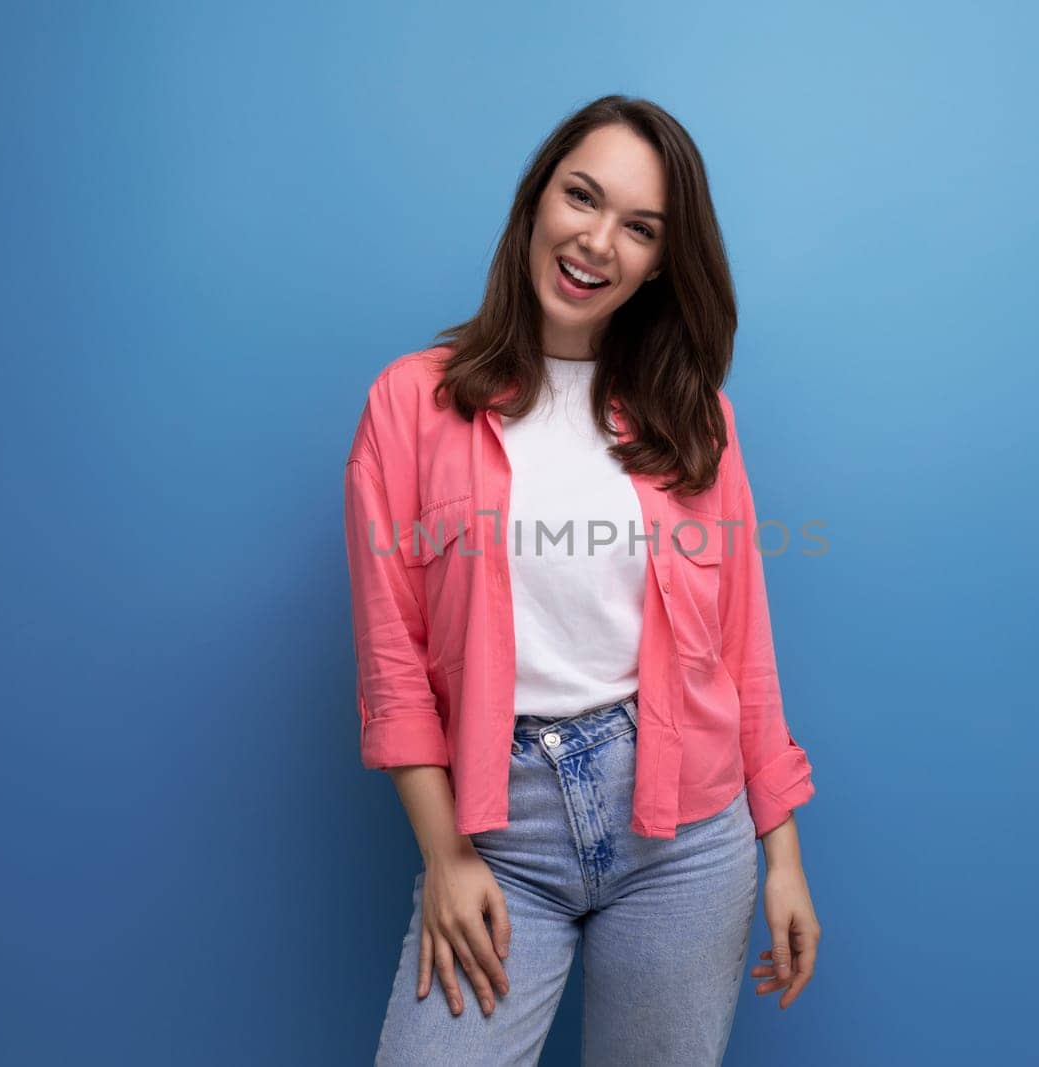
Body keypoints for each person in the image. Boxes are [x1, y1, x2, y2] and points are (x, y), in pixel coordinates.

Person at [342, 95, 820, 1066]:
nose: (597, 241)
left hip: (685, 830)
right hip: (499, 828)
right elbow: (393, 660)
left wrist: (783, 852)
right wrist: (446, 854)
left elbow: (743, 650)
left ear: (656, 264)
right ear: (537, 200)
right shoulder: (410, 404)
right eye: (582, 197)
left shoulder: (696, 420)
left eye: (639, 228)